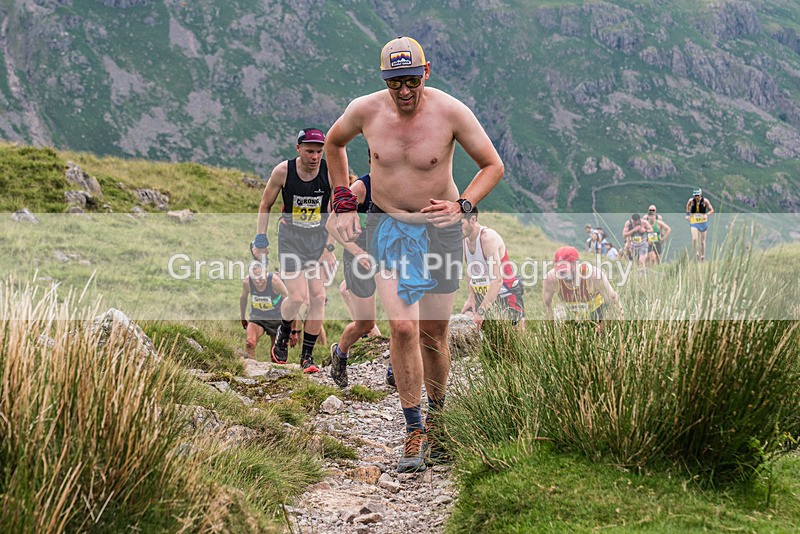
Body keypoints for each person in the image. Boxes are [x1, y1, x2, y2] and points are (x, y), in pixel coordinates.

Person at [324, 36, 504, 473]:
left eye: (410, 81)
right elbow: (333, 143)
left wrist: (463, 206)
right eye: (393, 83)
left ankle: (440, 421)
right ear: (383, 80)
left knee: (433, 334)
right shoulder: (366, 110)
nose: (403, 91)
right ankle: (413, 428)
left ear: (426, 72)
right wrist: (343, 196)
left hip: (438, 231)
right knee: (402, 327)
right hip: (387, 226)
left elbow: (492, 165)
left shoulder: (451, 112)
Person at [252, 128, 336, 373]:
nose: (315, 157)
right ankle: (284, 330)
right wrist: (261, 239)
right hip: (290, 239)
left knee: (318, 298)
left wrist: (329, 247)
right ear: (298, 149)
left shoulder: (329, 173)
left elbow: (335, 212)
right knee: (298, 297)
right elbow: (265, 204)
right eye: (309, 151)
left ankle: (306, 357)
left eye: (319, 151)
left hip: (318, 240)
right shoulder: (283, 171)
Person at [327, 166, 382, 388]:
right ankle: (340, 353)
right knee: (366, 323)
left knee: (404, 321)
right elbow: (331, 224)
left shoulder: (401, 184)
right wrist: (358, 253)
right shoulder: (361, 187)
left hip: (389, 255)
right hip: (359, 258)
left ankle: (394, 369)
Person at [460, 206, 525, 328]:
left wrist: (481, 312)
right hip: (484, 295)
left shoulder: (487, 238)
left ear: (473, 219)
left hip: (506, 294)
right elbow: (470, 270)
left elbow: (497, 280)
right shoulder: (465, 238)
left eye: (460, 223)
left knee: (513, 343)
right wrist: (471, 296)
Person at [542, 246, 624, 333]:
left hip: (596, 314)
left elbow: (613, 300)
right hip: (571, 314)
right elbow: (546, 306)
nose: (564, 275)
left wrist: (611, 324)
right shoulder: (550, 279)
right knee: (559, 314)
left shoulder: (594, 275)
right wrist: (549, 332)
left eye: (566, 270)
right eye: (560, 271)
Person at [239, 260, 288, 359]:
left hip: (276, 319)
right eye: (254, 278)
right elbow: (243, 298)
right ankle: (248, 371)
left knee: (275, 353)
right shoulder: (247, 282)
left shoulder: (275, 281)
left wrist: (291, 327)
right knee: (250, 343)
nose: (257, 281)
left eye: (260, 277)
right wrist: (243, 317)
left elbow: (290, 301)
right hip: (257, 318)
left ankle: (276, 372)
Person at [685, 188, 714, 262]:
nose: (696, 197)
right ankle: (696, 253)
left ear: (700, 195)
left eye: (698, 195)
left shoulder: (705, 201)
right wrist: (688, 214)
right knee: (694, 238)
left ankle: (703, 256)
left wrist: (707, 215)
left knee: (702, 241)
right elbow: (687, 206)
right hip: (694, 221)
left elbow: (711, 210)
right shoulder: (691, 201)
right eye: (695, 195)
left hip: (703, 222)